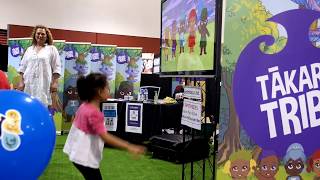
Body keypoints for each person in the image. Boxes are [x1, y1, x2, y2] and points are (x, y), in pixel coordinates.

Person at [63, 73, 145, 180]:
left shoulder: (84, 106)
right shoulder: (94, 113)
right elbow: (105, 137)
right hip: (84, 157)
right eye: (107, 87)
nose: (109, 90)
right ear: (99, 91)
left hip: (77, 154)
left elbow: (75, 122)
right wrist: (129, 146)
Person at [17, 25, 61, 107]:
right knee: (28, 106)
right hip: (29, 83)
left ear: (47, 36)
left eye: (43, 34)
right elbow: (22, 67)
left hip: (44, 83)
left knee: (42, 106)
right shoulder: (29, 49)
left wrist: (55, 83)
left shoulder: (51, 49)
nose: (40, 36)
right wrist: (21, 82)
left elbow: (57, 68)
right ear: (35, 35)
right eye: (38, 33)